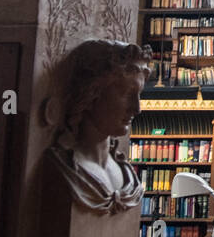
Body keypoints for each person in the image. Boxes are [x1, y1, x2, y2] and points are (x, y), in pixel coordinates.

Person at [42, 39, 152, 214]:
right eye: (126, 94)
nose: (137, 108)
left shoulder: (126, 175)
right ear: (92, 93)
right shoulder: (66, 169)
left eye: (138, 95)